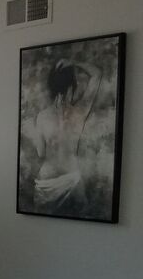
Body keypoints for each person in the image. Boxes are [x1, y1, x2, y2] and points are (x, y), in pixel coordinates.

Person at [30, 57, 101, 212]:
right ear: (71, 87)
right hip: (72, 178)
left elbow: (41, 153)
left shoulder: (42, 117)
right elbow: (96, 74)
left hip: (47, 180)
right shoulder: (80, 111)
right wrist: (74, 62)